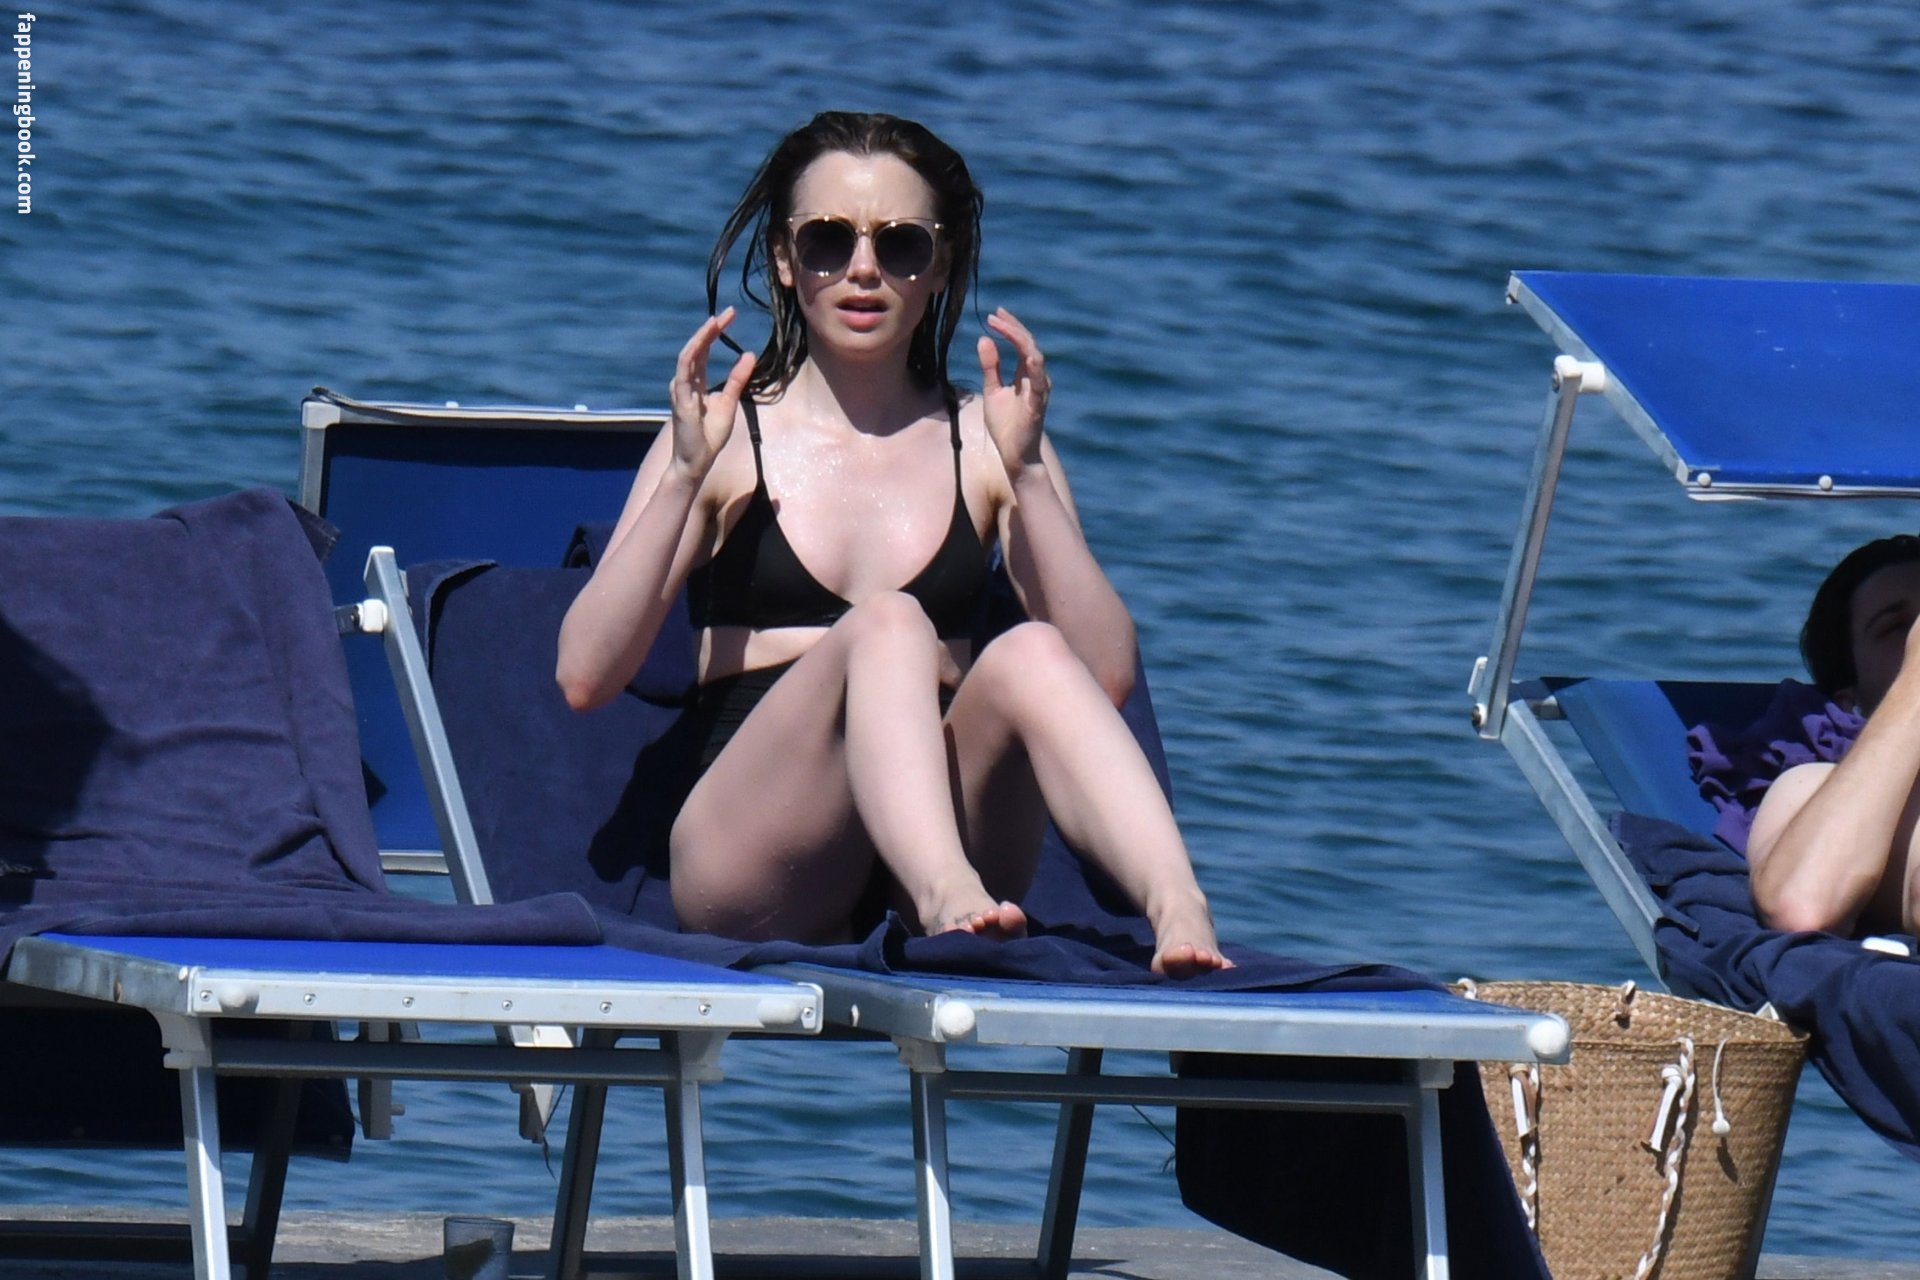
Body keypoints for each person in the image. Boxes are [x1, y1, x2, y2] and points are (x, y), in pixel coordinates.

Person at [555, 111, 1229, 976]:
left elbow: (1105, 679)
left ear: (940, 267)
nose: (864, 268)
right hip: (758, 861)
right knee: (889, 623)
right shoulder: (727, 439)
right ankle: (946, 894)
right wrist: (685, 476)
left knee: (1031, 651)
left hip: (947, 833)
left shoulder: (988, 440)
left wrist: (1027, 476)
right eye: (829, 240)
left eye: (902, 244)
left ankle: (1178, 903)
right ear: (785, 259)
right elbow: (583, 675)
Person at [1748, 533, 1920, 937]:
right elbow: (1802, 905)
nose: (1915, 633)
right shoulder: (1811, 788)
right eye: (1896, 627)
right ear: (1848, 699)